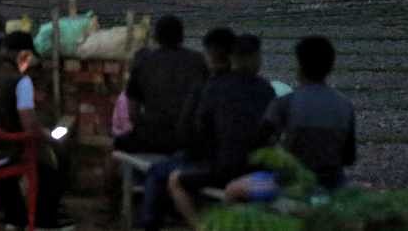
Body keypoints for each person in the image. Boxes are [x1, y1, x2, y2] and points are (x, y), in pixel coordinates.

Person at [0, 32, 73, 231]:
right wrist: (49, 137)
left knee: (16, 151)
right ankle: (45, 220)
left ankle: (14, 218)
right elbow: (30, 126)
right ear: (24, 56)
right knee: (52, 156)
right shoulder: (20, 82)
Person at [168, 34, 275, 228]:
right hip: (258, 170)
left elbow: (202, 130)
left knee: (175, 180)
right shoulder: (267, 89)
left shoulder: (215, 87)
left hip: (224, 170)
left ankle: (200, 227)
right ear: (256, 58)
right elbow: (271, 132)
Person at [138, 27, 236, 231]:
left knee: (157, 172)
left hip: (211, 163)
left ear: (210, 55)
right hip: (245, 163)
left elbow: (187, 132)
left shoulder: (206, 89)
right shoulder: (260, 87)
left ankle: (150, 222)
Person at [240, 36, 355, 195]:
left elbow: (259, 143)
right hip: (333, 182)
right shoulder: (345, 105)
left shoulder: (284, 102)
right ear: (330, 67)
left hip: (292, 181)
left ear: (299, 66)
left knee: (233, 189)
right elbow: (348, 157)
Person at [114, 15, 208, 154]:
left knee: (119, 142)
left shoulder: (144, 61)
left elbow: (133, 112)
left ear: (156, 37)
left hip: (153, 137)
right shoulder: (197, 61)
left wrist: (145, 129)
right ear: (182, 37)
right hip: (188, 139)